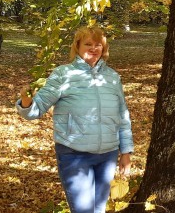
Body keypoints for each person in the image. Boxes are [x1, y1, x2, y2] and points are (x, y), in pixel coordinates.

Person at [16, 26, 133, 213]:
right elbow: (34, 111)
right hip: (74, 155)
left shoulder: (112, 77)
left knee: (98, 210)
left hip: (108, 155)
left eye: (98, 45)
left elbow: (122, 115)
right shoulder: (63, 74)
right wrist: (26, 101)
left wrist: (126, 152)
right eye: (88, 44)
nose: (93, 48)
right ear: (77, 46)